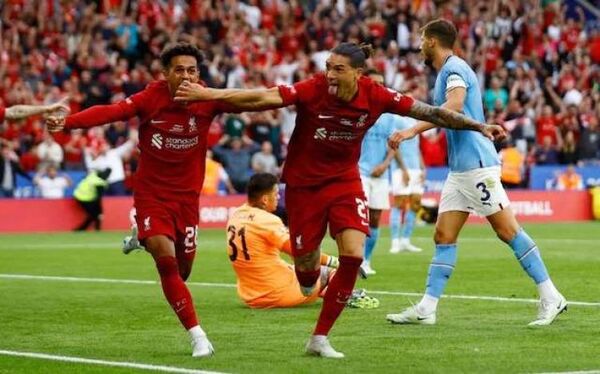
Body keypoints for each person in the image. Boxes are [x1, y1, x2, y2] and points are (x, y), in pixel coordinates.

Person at [174, 41, 506, 358]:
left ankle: (319, 338)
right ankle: (308, 278)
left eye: (339, 69)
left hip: (345, 181)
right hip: (304, 186)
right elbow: (263, 98)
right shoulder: (313, 88)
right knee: (306, 268)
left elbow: (434, 113)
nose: (330, 74)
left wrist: (479, 126)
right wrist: (208, 94)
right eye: (328, 67)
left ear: (358, 74)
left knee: (353, 255)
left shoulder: (376, 95)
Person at [46, 43, 247, 358]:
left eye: (191, 70)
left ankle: (141, 237)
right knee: (166, 262)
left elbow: (250, 101)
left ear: (199, 74)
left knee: (183, 272)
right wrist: (68, 122)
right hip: (152, 194)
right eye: (178, 69)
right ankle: (198, 336)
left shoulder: (207, 99)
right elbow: (110, 112)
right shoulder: (151, 97)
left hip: (187, 199)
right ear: (165, 73)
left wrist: (290, 97)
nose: (185, 76)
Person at [385, 19, 566, 328]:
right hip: (460, 171)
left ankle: (551, 296)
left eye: (421, 40)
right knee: (443, 234)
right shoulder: (447, 71)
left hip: (477, 166)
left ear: (432, 41)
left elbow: (453, 105)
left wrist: (415, 128)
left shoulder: (454, 70)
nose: (417, 45)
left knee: (508, 231)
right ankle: (428, 307)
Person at [226, 173, 339, 308]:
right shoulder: (267, 220)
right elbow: (301, 253)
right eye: (276, 194)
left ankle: (326, 292)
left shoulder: (235, 214)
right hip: (279, 293)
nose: (278, 197)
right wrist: (334, 261)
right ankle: (344, 297)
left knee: (290, 267)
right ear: (265, 200)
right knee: (327, 272)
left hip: (251, 296)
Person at [357, 69, 397, 276]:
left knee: (375, 219)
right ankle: (354, 260)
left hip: (380, 174)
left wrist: (385, 164)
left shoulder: (389, 115)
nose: (379, 87)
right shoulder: (356, 109)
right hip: (359, 172)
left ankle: (366, 261)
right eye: (375, 83)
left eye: (382, 83)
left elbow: (393, 144)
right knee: (358, 219)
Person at [389, 115, 426, 254]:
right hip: (400, 169)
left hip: (416, 168)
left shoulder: (415, 121)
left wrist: (423, 168)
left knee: (415, 204)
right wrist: (403, 169)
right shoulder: (396, 119)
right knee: (399, 204)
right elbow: (394, 145)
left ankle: (405, 240)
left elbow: (417, 148)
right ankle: (395, 242)